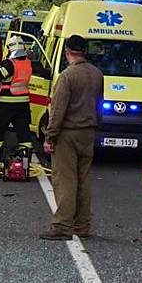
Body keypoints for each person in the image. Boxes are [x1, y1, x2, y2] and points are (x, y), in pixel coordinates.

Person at [40, 35, 103, 240]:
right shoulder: (97, 74)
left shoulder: (67, 77)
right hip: (88, 132)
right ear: (85, 51)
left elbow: (58, 110)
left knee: (65, 180)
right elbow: (99, 105)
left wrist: (50, 137)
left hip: (68, 134)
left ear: (67, 51)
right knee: (83, 180)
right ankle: (82, 225)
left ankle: (62, 226)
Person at [0, 35, 33, 161]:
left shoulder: (9, 63)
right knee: (23, 131)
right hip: (23, 103)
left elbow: (0, 74)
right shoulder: (28, 63)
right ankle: (25, 160)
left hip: (6, 103)